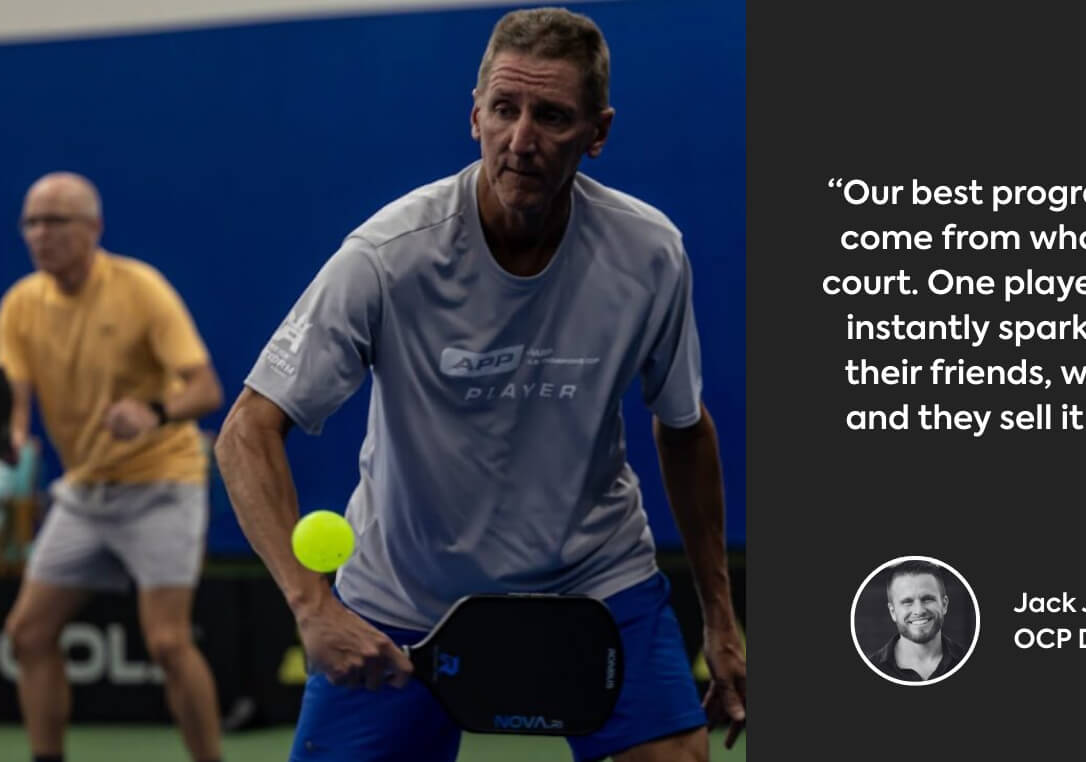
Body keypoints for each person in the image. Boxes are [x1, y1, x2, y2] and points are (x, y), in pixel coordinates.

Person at [213, 7, 745, 761]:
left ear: (598, 132)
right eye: (505, 109)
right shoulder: (387, 256)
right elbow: (246, 430)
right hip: (402, 602)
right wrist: (311, 604)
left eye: (552, 116)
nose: (521, 141)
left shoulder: (651, 255)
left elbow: (684, 428)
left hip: (594, 584)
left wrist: (721, 618)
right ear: (475, 116)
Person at [0, 172, 226, 762]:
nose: (40, 234)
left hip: (162, 484)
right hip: (85, 493)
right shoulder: (20, 304)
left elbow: (205, 389)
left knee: (168, 642)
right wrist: (14, 440)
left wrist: (153, 411)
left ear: (93, 228)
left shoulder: (141, 289)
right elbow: (14, 401)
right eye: (31, 222)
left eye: (56, 221)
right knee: (27, 634)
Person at [868, 560, 968, 682]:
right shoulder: (873, 667)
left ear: (944, 605)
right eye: (907, 602)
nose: (919, 611)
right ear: (893, 612)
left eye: (927, 599)